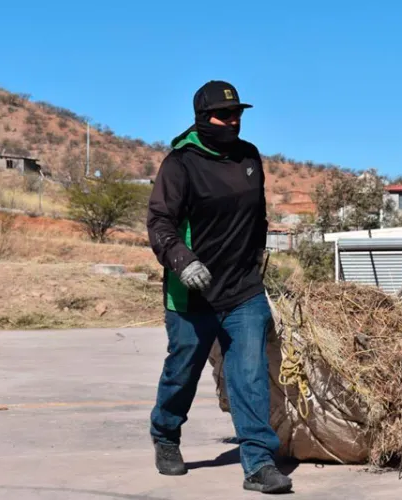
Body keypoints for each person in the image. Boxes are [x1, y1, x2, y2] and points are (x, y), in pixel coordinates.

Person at [146, 80, 292, 494]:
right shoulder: (181, 163)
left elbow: (258, 216)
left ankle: (259, 463)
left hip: (243, 290)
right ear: (201, 118)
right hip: (191, 293)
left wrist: (257, 257)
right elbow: (160, 223)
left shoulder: (249, 157)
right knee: (183, 371)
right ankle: (165, 434)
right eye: (223, 116)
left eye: (237, 115)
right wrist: (183, 261)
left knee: (250, 375)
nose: (233, 122)